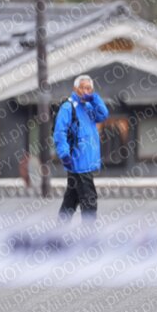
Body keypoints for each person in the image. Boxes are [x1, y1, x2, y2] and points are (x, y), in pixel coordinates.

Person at [53, 75, 110, 222]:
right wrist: (64, 154)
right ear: (75, 89)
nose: (86, 91)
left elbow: (103, 114)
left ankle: (59, 230)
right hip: (78, 161)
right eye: (84, 88)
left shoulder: (89, 106)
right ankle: (88, 233)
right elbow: (60, 132)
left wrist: (94, 98)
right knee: (89, 200)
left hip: (87, 161)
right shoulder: (68, 107)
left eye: (89, 89)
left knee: (71, 199)